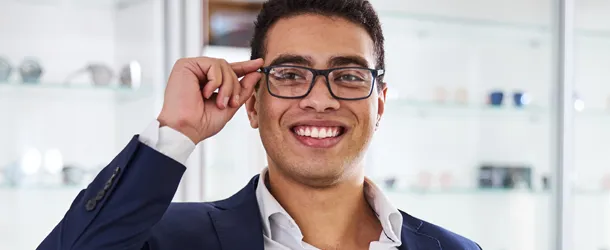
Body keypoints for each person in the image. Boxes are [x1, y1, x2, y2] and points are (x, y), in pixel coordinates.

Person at [38, 0, 482, 249]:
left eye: (348, 76)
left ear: (379, 104)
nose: (320, 99)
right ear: (252, 104)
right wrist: (174, 131)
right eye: (290, 75)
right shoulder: (164, 239)